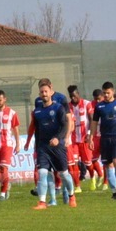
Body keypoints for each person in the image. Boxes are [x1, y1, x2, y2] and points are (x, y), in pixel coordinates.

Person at [31, 80, 76, 209]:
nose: (44, 94)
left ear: (51, 92)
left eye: (46, 91)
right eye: (41, 92)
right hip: (43, 147)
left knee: (64, 174)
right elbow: (37, 130)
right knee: (42, 173)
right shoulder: (37, 112)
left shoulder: (58, 108)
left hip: (57, 147)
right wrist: (36, 146)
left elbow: (64, 126)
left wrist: (58, 138)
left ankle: (72, 196)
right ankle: (42, 202)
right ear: (39, 94)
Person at [89, 81, 116, 200]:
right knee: (108, 165)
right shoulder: (99, 106)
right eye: (104, 93)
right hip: (104, 138)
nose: (106, 95)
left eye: (108, 93)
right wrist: (91, 138)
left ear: (113, 91)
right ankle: (114, 191)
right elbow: (94, 123)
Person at [68, 85, 98, 192]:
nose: (73, 98)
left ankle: (92, 177)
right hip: (73, 140)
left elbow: (92, 119)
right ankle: (77, 186)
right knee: (74, 163)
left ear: (78, 94)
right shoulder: (68, 107)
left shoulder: (86, 104)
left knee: (88, 163)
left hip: (85, 138)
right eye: (71, 96)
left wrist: (90, 134)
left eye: (74, 96)